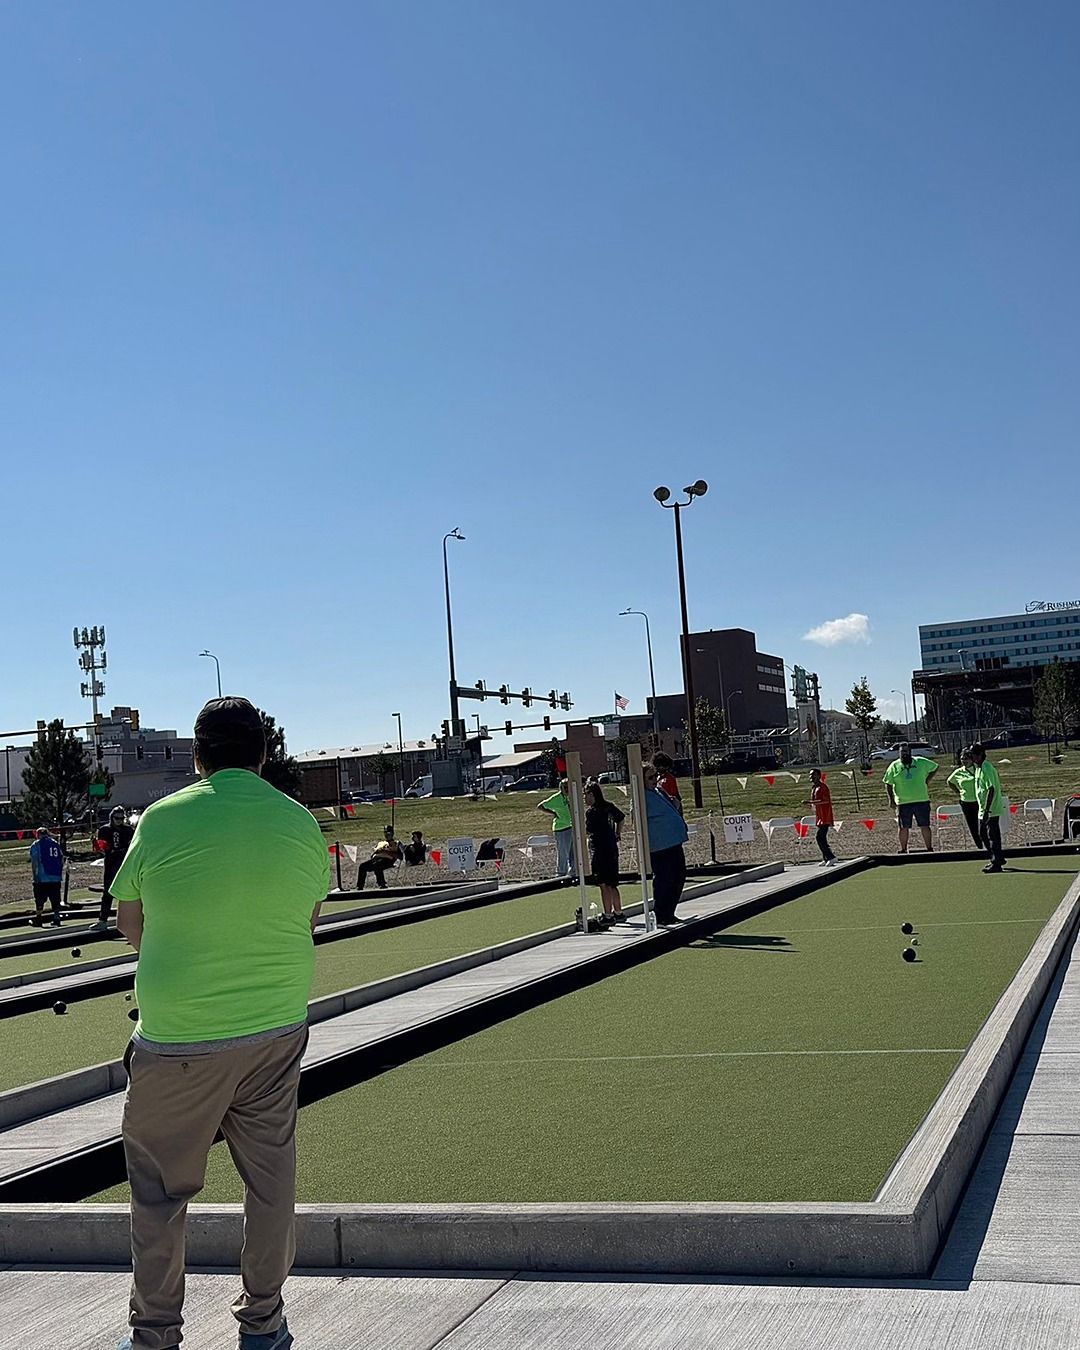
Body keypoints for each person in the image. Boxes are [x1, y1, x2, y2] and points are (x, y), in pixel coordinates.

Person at [111, 695, 329, 1350]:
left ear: (197, 757)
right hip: (274, 1033)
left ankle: (154, 1337)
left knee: (158, 1196)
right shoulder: (299, 823)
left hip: (177, 1038)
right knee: (270, 1186)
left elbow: (130, 927)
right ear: (264, 754)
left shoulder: (162, 818)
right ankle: (262, 1326)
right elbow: (306, 919)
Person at [642, 762, 690, 925]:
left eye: (655, 775)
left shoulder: (658, 791)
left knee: (679, 876)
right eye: (650, 777)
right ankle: (661, 915)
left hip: (674, 842)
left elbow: (671, 804)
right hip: (660, 846)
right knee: (664, 879)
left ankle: (669, 912)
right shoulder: (641, 797)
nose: (654, 779)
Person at [882, 742, 938, 854]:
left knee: (925, 825)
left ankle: (929, 848)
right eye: (902, 752)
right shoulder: (894, 766)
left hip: (921, 799)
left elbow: (935, 767)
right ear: (899, 753)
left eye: (906, 751)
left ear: (910, 752)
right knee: (903, 827)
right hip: (902, 802)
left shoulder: (920, 761)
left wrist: (927, 780)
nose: (904, 754)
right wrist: (891, 800)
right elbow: (888, 783)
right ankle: (903, 849)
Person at [584, 782, 625, 923]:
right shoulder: (609, 806)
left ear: (592, 794)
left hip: (599, 849)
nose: (585, 798)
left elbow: (589, 830)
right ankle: (618, 912)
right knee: (613, 883)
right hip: (612, 848)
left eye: (586, 794)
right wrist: (617, 833)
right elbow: (621, 818)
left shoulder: (592, 812)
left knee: (604, 884)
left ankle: (608, 914)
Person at [95, 806, 135, 930]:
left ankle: (132, 920)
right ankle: (103, 920)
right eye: (117, 818)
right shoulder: (105, 829)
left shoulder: (128, 830)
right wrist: (100, 847)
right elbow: (102, 848)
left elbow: (133, 845)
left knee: (129, 891)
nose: (119, 820)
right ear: (111, 818)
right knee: (108, 891)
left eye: (121, 818)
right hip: (111, 862)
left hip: (124, 862)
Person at [970, 742, 1007, 873]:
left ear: (980, 755)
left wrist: (987, 809)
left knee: (993, 835)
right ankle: (997, 857)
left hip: (990, 808)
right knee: (982, 834)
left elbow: (991, 789)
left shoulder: (986, 768)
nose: (972, 758)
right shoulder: (978, 768)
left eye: (974, 755)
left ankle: (996, 863)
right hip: (982, 808)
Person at [539, 779, 575, 880]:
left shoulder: (571, 797)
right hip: (561, 828)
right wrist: (553, 813)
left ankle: (573, 872)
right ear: (561, 788)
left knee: (574, 852)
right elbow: (540, 806)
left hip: (571, 826)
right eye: (565, 787)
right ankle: (561, 874)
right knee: (563, 852)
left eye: (568, 787)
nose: (567, 789)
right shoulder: (556, 798)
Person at [29, 827, 64, 927]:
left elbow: (34, 862)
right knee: (55, 898)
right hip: (56, 877)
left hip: (42, 877)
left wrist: (35, 876)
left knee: (39, 898)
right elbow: (61, 858)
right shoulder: (55, 844)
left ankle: (39, 918)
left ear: (38, 834)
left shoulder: (36, 845)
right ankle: (57, 918)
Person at [947, 749, 982, 849]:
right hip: (966, 802)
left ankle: (987, 844)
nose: (964, 761)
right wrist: (958, 792)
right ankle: (979, 846)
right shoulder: (958, 772)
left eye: (966, 759)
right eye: (962, 759)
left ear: (971, 759)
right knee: (973, 826)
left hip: (979, 801)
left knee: (982, 825)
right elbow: (949, 782)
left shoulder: (978, 768)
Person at [809, 769, 836, 867]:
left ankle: (831, 857)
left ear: (819, 776)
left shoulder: (823, 787)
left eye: (813, 775)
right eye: (810, 775)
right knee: (821, 838)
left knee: (820, 837)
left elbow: (825, 801)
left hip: (825, 816)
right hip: (819, 816)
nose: (811, 777)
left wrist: (812, 803)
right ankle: (826, 857)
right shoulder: (814, 788)